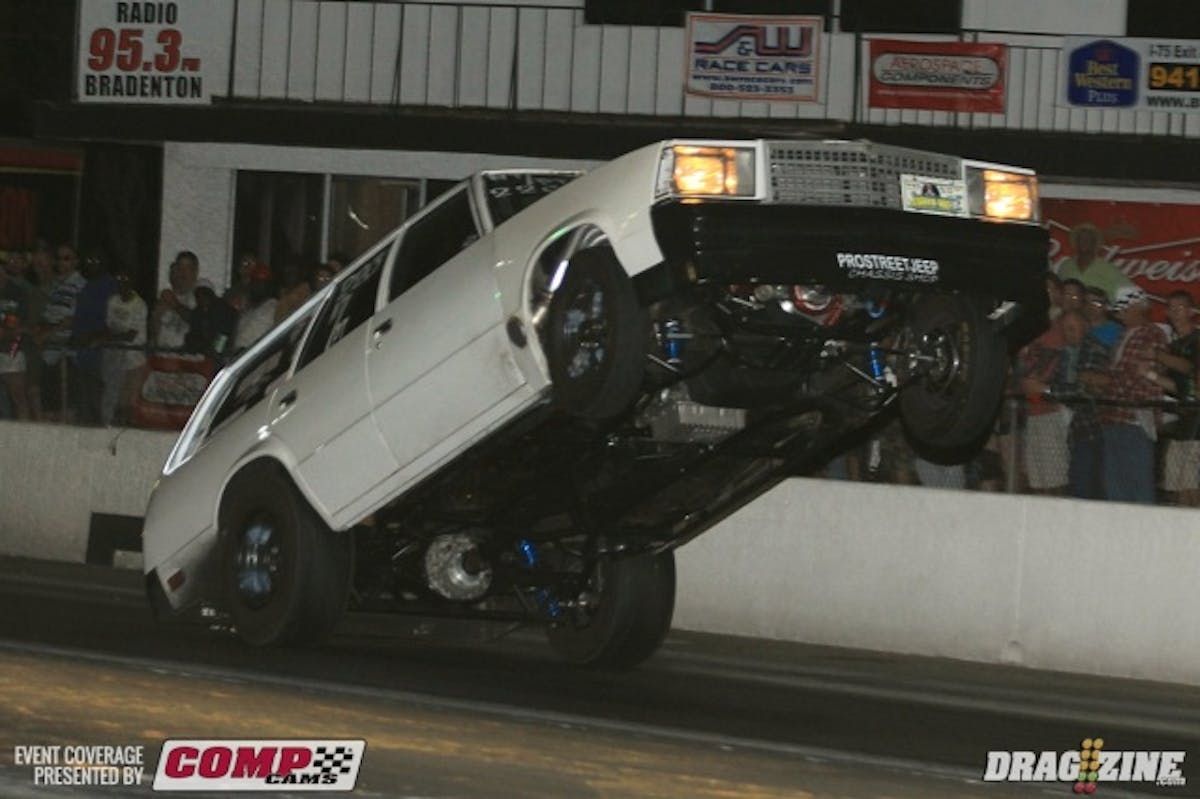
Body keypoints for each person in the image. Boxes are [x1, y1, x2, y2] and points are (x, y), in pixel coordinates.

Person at [1099, 285, 1170, 504]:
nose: (1120, 313)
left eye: (1124, 308)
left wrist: (1109, 383)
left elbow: (1141, 376)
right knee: (1115, 484)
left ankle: (1143, 534)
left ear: (1139, 307)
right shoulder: (1122, 335)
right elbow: (1120, 374)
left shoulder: (1153, 334)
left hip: (1137, 418)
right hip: (1113, 416)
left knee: (1138, 484)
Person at [1156, 290, 1200, 506]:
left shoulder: (1196, 340)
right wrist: (1150, 374)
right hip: (1181, 419)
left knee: (1190, 483)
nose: (1174, 312)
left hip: (1197, 421)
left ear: (1191, 311)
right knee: (1174, 485)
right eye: (1170, 307)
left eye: (1180, 307)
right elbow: (1177, 387)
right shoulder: (1173, 346)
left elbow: (1190, 369)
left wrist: (1158, 356)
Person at [37, 243, 87, 421]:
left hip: (65, 353)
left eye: (67, 258)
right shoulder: (56, 284)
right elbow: (48, 314)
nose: (61, 263)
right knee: (49, 406)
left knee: (66, 406)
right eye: (59, 258)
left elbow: (73, 319)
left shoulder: (80, 285)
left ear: (75, 261)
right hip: (49, 352)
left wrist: (47, 333)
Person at [70, 251, 118, 426]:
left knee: (99, 399)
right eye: (88, 259)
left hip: (100, 352)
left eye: (96, 259)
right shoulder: (85, 286)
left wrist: (92, 336)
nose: (91, 263)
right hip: (83, 353)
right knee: (83, 399)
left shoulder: (111, 286)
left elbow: (114, 322)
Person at [101, 265, 147, 426]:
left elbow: (130, 335)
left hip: (134, 360)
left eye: (126, 279)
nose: (122, 283)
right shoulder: (112, 301)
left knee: (130, 402)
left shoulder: (139, 305)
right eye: (119, 279)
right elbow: (108, 326)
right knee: (114, 398)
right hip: (115, 358)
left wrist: (107, 339)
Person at [1055, 223, 1134, 301]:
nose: (1084, 242)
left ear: (1094, 243)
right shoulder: (1065, 266)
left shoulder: (1107, 268)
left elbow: (1132, 294)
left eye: (1088, 239)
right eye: (1081, 239)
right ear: (1076, 242)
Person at [0, 251, 32, 419]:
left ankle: (25, 434)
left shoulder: (17, 292)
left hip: (10, 350)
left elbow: (17, 324)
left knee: (18, 395)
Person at [150, 251, 200, 351]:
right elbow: (153, 334)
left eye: (187, 268)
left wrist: (174, 303)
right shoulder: (164, 297)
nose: (182, 272)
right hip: (162, 357)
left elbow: (198, 322)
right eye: (180, 267)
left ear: (195, 272)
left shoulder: (199, 297)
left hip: (187, 360)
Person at [232, 262, 278, 353]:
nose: (258, 286)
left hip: (256, 356)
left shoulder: (273, 307)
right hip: (238, 356)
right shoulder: (247, 307)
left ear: (268, 285)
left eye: (262, 283)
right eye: (256, 282)